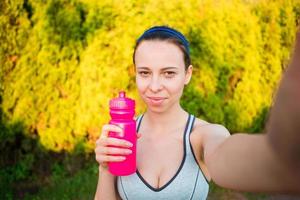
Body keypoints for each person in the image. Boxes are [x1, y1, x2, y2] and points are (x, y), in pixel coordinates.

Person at [94, 26, 300, 200]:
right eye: (145, 73)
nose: (154, 86)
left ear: (187, 75)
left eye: (169, 73)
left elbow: (226, 156)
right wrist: (105, 169)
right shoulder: (122, 136)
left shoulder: (204, 135)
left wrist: (282, 160)